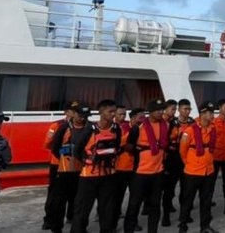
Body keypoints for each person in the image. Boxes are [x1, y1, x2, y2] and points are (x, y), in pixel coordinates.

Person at [71, 99, 122, 233]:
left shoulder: (117, 129)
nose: (113, 114)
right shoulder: (89, 129)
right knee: (82, 209)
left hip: (109, 175)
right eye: (110, 111)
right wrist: (88, 160)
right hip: (89, 176)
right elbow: (77, 151)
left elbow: (117, 148)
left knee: (107, 209)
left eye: (114, 111)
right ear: (101, 112)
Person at [122, 99, 170, 233]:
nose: (161, 112)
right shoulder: (139, 127)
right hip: (140, 173)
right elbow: (129, 146)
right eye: (158, 110)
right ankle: (129, 229)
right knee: (134, 204)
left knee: (155, 205)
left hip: (158, 172)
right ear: (151, 112)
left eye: (162, 109)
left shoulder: (165, 125)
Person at [46, 104, 91, 233]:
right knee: (59, 201)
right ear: (74, 114)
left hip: (83, 170)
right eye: (81, 115)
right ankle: (56, 227)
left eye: (85, 116)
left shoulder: (90, 127)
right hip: (64, 170)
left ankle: (79, 227)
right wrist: (64, 160)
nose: (83, 119)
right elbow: (55, 148)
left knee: (80, 201)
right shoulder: (63, 127)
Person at [179, 102, 218, 233]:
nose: (212, 115)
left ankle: (205, 227)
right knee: (187, 201)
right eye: (210, 112)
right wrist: (189, 164)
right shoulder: (189, 131)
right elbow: (182, 151)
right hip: (192, 172)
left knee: (206, 201)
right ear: (202, 114)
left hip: (208, 171)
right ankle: (183, 226)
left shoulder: (212, 129)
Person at [43, 101, 81, 231]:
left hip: (75, 165)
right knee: (55, 194)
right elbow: (48, 143)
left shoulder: (82, 126)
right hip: (57, 164)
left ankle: (71, 216)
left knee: (75, 192)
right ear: (66, 112)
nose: (75, 113)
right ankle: (49, 219)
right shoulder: (57, 125)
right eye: (73, 111)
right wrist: (62, 153)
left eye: (77, 111)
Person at [163, 98, 193, 227]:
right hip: (173, 158)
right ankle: (165, 215)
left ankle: (184, 215)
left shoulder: (192, 123)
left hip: (187, 159)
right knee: (169, 189)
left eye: (189, 109)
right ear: (179, 110)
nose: (187, 111)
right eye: (185, 109)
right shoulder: (172, 124)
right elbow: (165, 142)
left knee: (186, 189)